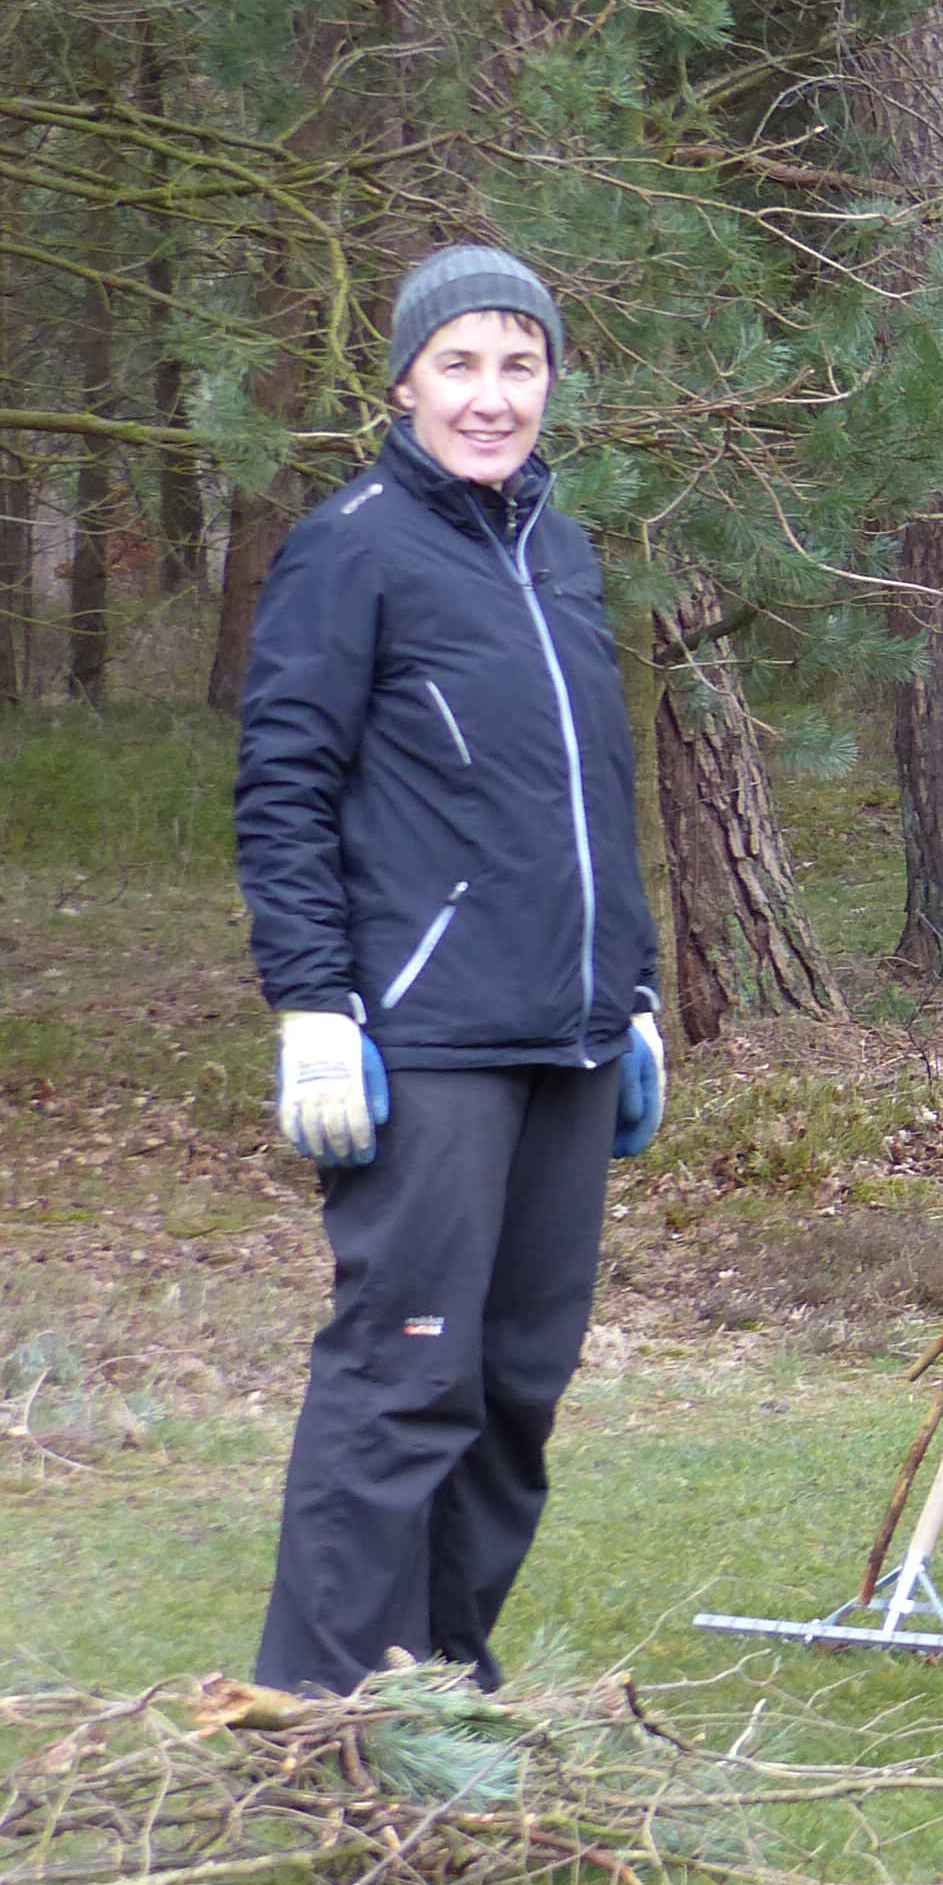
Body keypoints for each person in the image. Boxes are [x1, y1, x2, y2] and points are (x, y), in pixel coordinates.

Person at [235, 246, 666, 1695]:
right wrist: (312, 1003)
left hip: (570, 1034)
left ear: (553, 382)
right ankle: (326, 1716)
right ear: (405, 382)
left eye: (520, 365)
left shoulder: (561, 548)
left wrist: (633, 993)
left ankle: (441, 1694)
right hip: (427, 1042)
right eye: (461, 364)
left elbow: (591, 790)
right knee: (405, 1373)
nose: (493, 396)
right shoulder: (350, 547)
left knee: (514, 1386)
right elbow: (284, 791)